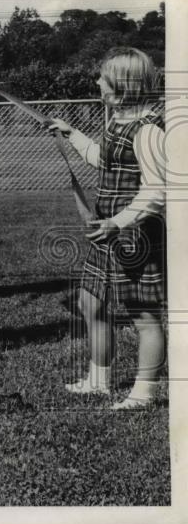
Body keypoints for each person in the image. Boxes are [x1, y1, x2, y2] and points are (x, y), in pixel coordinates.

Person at [48, 47, 166, 410]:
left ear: (122, 85)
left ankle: (143, 394)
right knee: (90, 303)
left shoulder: (147, 130)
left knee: (144, 317)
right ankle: (98, 382)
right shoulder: (118, 120)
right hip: (108, 233)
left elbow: (158, 190)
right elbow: (103, 158)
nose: (97, 82)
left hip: (134, 235)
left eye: (103, 77)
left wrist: (118, 222)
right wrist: (71, 134)